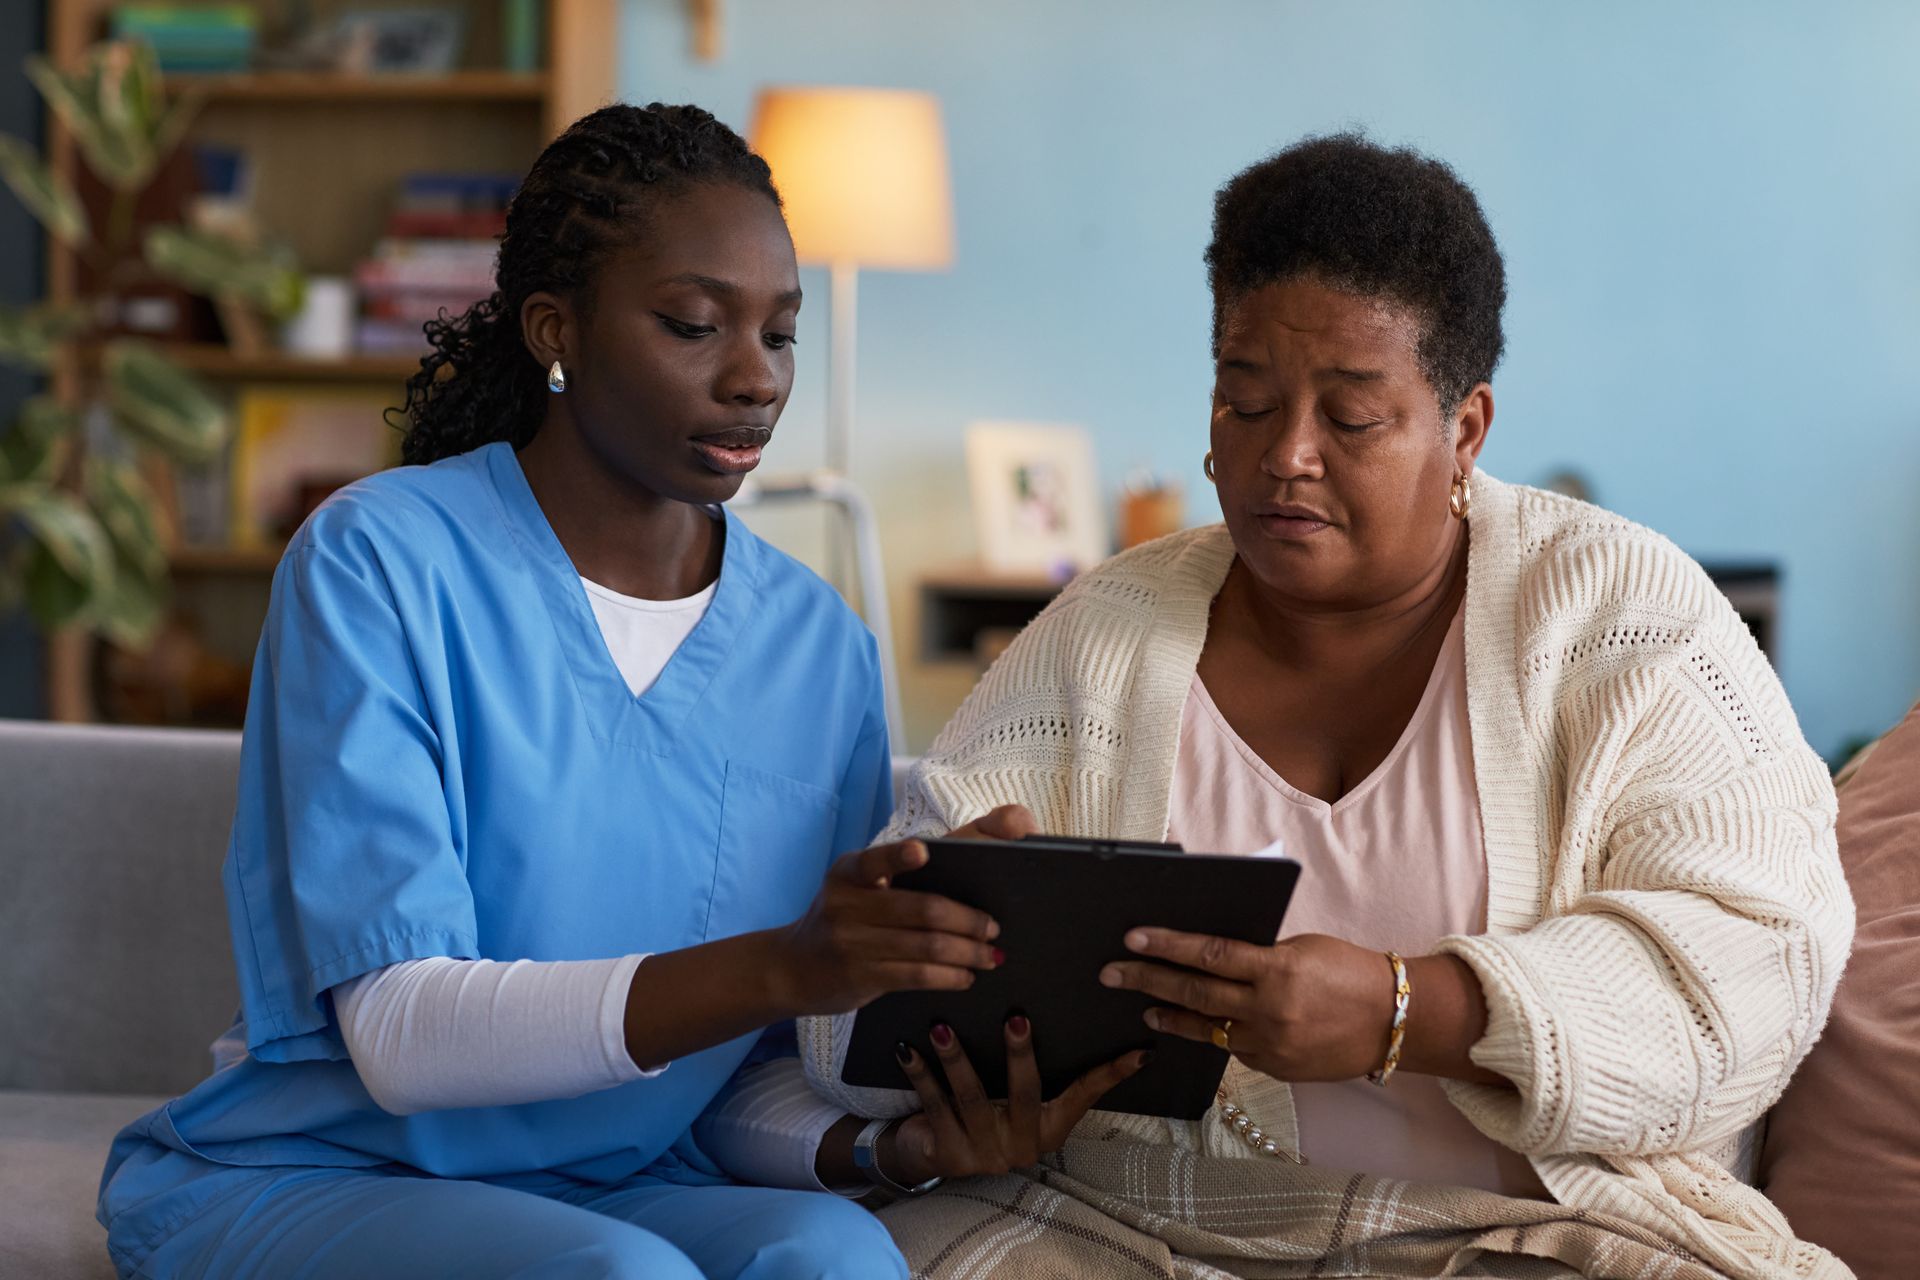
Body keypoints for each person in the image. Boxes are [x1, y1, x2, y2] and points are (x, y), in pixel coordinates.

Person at [800, 134, 1856, 1279]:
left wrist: (1420, 1008)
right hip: (1133, 1225)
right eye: (1243, 402)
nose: (1284, 456)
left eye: (1350, 418)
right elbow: (839, 1033)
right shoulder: (1098, 638)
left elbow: (1759, 971)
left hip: (1542, 1240)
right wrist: (920, 975)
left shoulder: (1626, 620)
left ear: (1465, 429)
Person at [94, 102, 1074, 1280]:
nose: (754, 378)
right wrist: (795, 960)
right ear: (556, 328)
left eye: (780, 334)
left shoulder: (823, 649)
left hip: (638, 1180)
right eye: (695, 324)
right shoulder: (376, 562)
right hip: (330, 1171)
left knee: (842, 1258)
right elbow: (402, 1039)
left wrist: (890, 1144)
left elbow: (748, 1069)